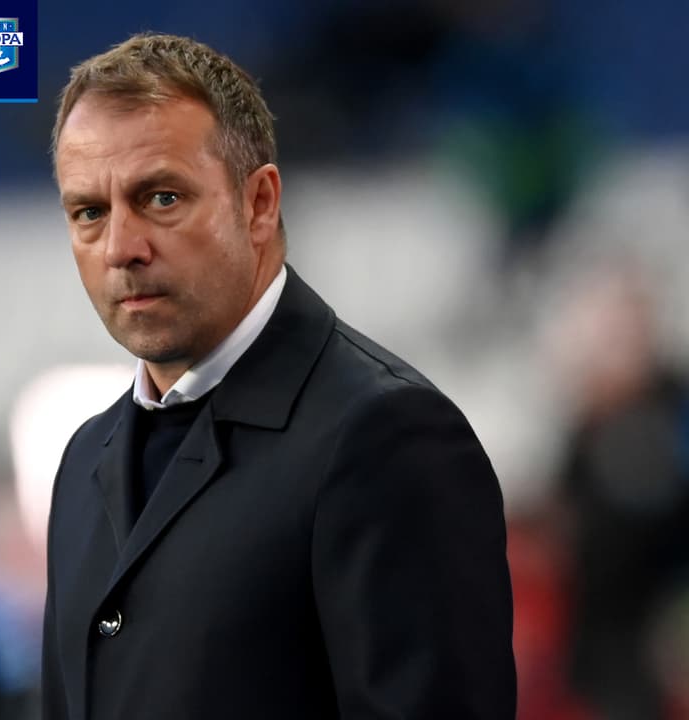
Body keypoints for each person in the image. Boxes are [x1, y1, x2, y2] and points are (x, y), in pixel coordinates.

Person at [41, 33, 516, 719]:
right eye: (90, 212)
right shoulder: (83, 461)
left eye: (162, 198)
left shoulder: (387, 436)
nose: (122, 247)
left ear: (259, 203)